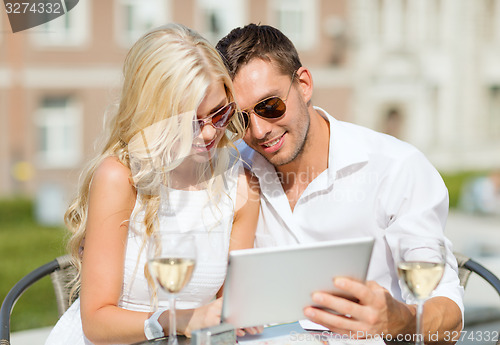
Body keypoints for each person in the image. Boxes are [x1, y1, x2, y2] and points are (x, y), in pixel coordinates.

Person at [216, 24, 463, 343]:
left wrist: (399, 320)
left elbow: (450, 316)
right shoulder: (228, 169)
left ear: (304, 85)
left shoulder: (395, 167)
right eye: (241, 119)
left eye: (270, 106)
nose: (260, 130)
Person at [45, 23, 260, 345]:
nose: (209, 133)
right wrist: (182, 320)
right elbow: (96, 322)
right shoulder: (121, 177)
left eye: (219, 113)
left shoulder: (241, 185)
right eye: (189, 121)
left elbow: (229, 311)